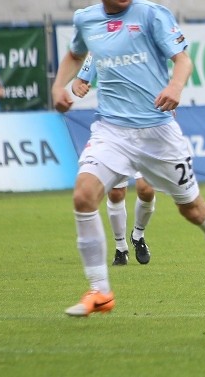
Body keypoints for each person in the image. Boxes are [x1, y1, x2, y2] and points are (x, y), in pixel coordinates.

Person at [52, 0, 205, 319]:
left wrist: (176, 87)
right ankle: (100, 290)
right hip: (111, 130)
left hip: (158, 132)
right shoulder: (86, 20)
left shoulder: (151, 14)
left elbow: (183, 59)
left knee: (193, 210)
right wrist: (58, 86)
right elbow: (75, 54)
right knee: (84, 196)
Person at [71, 56, 156, 266]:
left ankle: (138, 235)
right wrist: (78, 87)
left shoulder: (143, 43)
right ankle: (120, 247)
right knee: (117, 193)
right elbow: (80, 80)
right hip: (113, 131)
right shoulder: (100, 45)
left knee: (147, 189)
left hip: (144, 128)